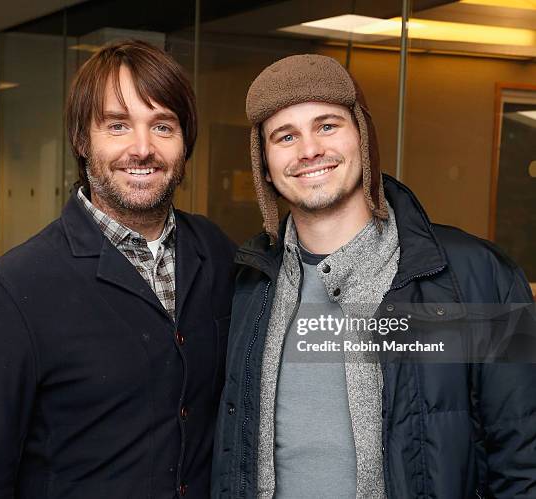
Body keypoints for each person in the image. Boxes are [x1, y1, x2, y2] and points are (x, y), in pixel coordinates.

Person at [212, 54, 536, 498]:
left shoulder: (475, 276)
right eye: (285, 136)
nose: (309, 150)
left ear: (362, 138)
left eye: (327, 126)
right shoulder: (249, 285)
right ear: (264, 165)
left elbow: (523, 458)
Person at [0, 40, 236, 498]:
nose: (142, 149)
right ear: (82, 141)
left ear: (185, 144)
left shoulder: (217, 254)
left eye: (162, 126)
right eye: (117, 126)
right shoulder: (14, 290)